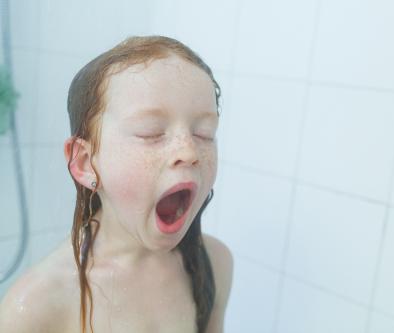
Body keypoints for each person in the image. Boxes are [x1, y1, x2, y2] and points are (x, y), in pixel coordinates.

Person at [0, 35, 233, 333]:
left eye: (204, 133)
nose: (189, 152)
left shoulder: (214, 264)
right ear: (84, 163)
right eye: (151, 133)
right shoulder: (37, 305)